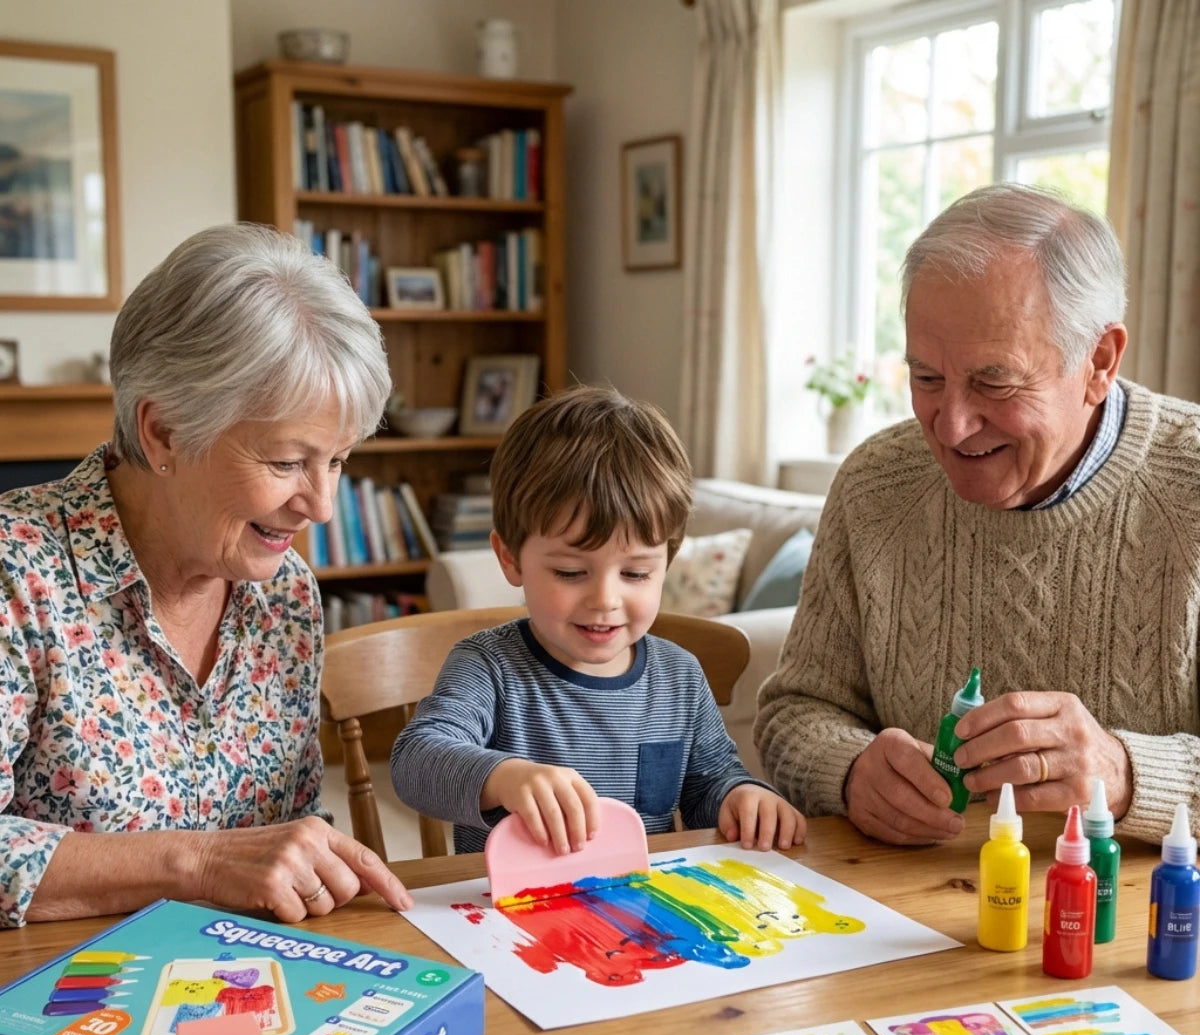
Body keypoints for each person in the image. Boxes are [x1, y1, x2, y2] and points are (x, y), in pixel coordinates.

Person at [756, 182, 1200, 848]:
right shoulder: (875, 485)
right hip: (905, 918)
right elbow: (792, 711)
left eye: (994, 380)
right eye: (926, 377)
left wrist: (1127, 773)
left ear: (1099, 362)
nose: (953, 425)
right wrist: (846, 770)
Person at [0, 224, 412, 929]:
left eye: (339, 460)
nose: (320, 505)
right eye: (286, 463)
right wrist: (200, 863)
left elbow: (286, 837)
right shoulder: (18, 575)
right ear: (163, 433)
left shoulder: (284, 594)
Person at [390, 385, 804, 855]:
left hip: (640, 908)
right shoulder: (489, 667)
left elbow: (709, 783)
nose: (605, 598)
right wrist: (502, 776)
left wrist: (742, 796)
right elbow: (416, 761)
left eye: (636, 572)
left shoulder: (679, 677)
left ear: (667, 563)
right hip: (509, 911)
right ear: (509, 558)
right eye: (570, 572)